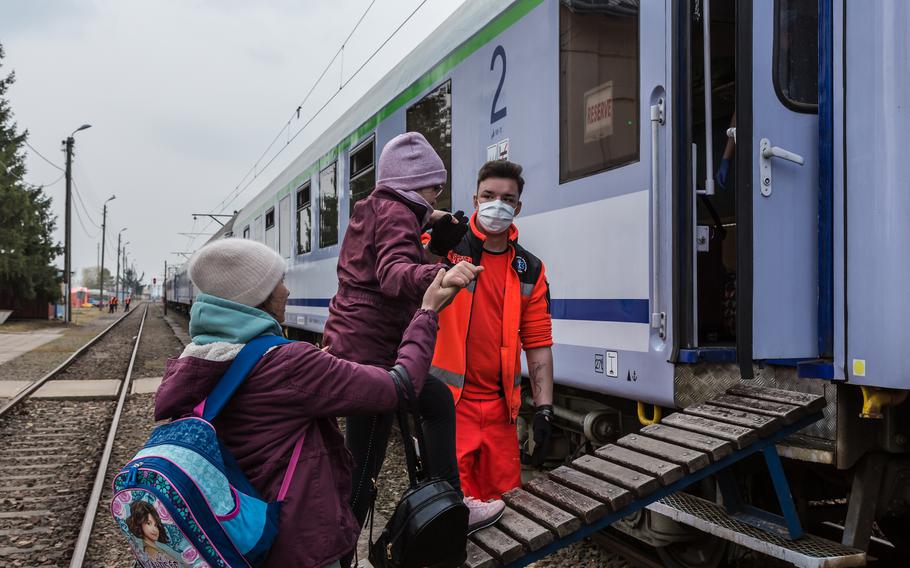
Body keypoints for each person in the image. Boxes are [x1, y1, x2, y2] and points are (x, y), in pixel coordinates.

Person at [154, 238, 464, 568]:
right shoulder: (288, 364)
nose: (286, 291)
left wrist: (316, 369)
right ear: (257, 296)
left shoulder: (195, 359)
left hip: (238, 538)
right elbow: (399, 388)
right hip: (299, 547)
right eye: (279, 282)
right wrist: (427, 313)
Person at [321, 132, 500, 542]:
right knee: (365, 459)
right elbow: (392, 275)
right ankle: (336, 545)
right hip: (372, 351)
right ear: (411, 183)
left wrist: (433, 239)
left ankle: (449, 504)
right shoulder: (398, 213)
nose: (437, 195)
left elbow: (380, 263)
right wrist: (440, 273)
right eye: (433, 186)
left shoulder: (375, 208)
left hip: (360, 340)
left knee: (432, 401)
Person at [429, 160, 554, 502]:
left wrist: (544, 408)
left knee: (504, 507)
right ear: (475, 200)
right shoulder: (446, 248)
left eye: (507, 198)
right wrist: (431, 250)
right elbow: (403, 273)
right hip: (450, 408)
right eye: (488, 195)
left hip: (501, 412)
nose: (497, 204)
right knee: (452, 509)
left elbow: (538, 342)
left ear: (518, 207)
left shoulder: (529, 269)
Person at [126, 500, 184, 567]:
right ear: (139, 523)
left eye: (156, 525)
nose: (154, 530)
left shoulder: (153, 549)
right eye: (148, 523)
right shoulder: (152, 552)